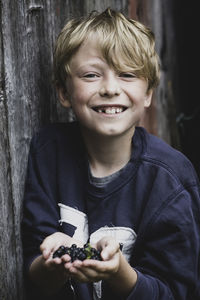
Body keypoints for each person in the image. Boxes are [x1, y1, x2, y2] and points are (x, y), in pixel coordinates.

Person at [21, 7, 200, 300]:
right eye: (91, 75)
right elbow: (33, 269)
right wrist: (51, 262)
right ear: (64, 92)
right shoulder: (48, 151)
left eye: (127, 74)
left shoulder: (171, 180)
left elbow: (175, 292)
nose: (110, 88)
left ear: (148, 94)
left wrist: (120, 274)